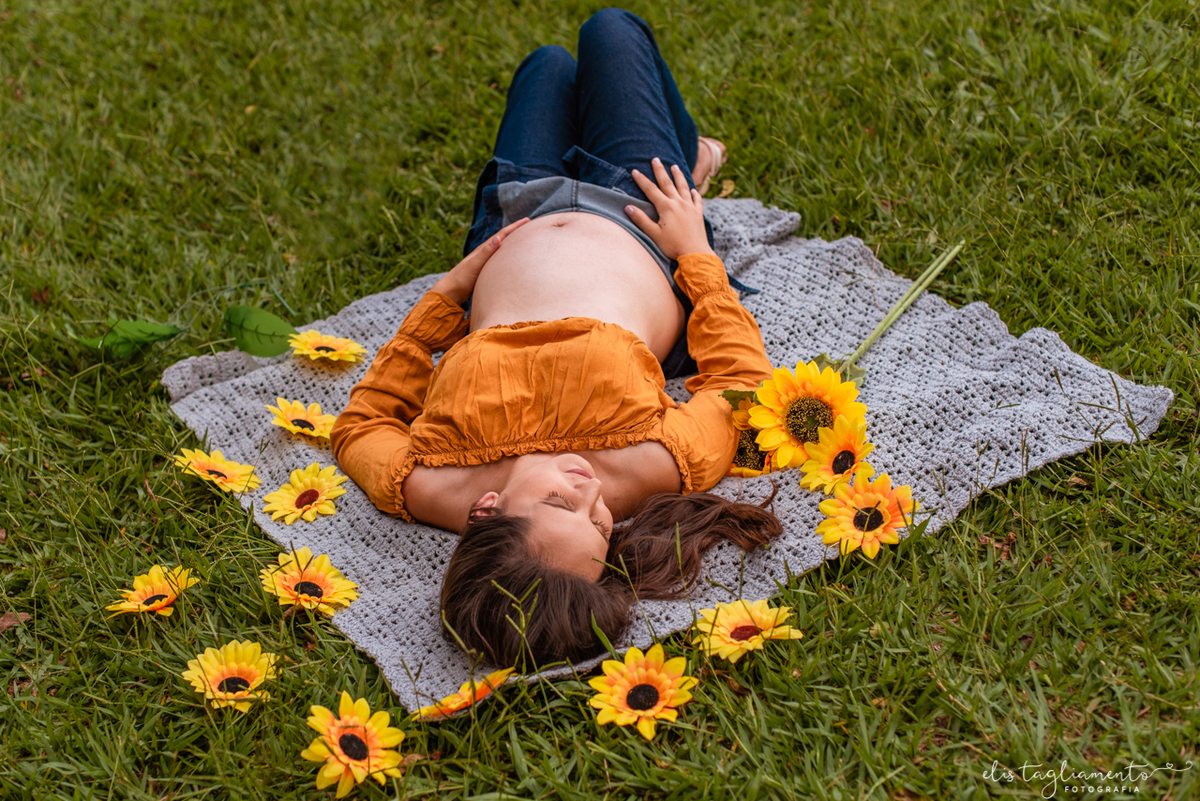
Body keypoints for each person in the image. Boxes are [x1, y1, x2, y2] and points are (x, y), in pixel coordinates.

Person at [331, 8, 782, 670]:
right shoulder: (652, 465)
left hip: (511, 214)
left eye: (560, 503)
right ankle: (692, 169)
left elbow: (360, 425)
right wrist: (693, 251)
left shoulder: (428, 483)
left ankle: (688, 156)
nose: (590, 492)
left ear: (486, 512)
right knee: (609, 29)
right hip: (639, 217)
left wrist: (445, 298)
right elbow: (747, 388)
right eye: (601, 524)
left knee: (547, 65)